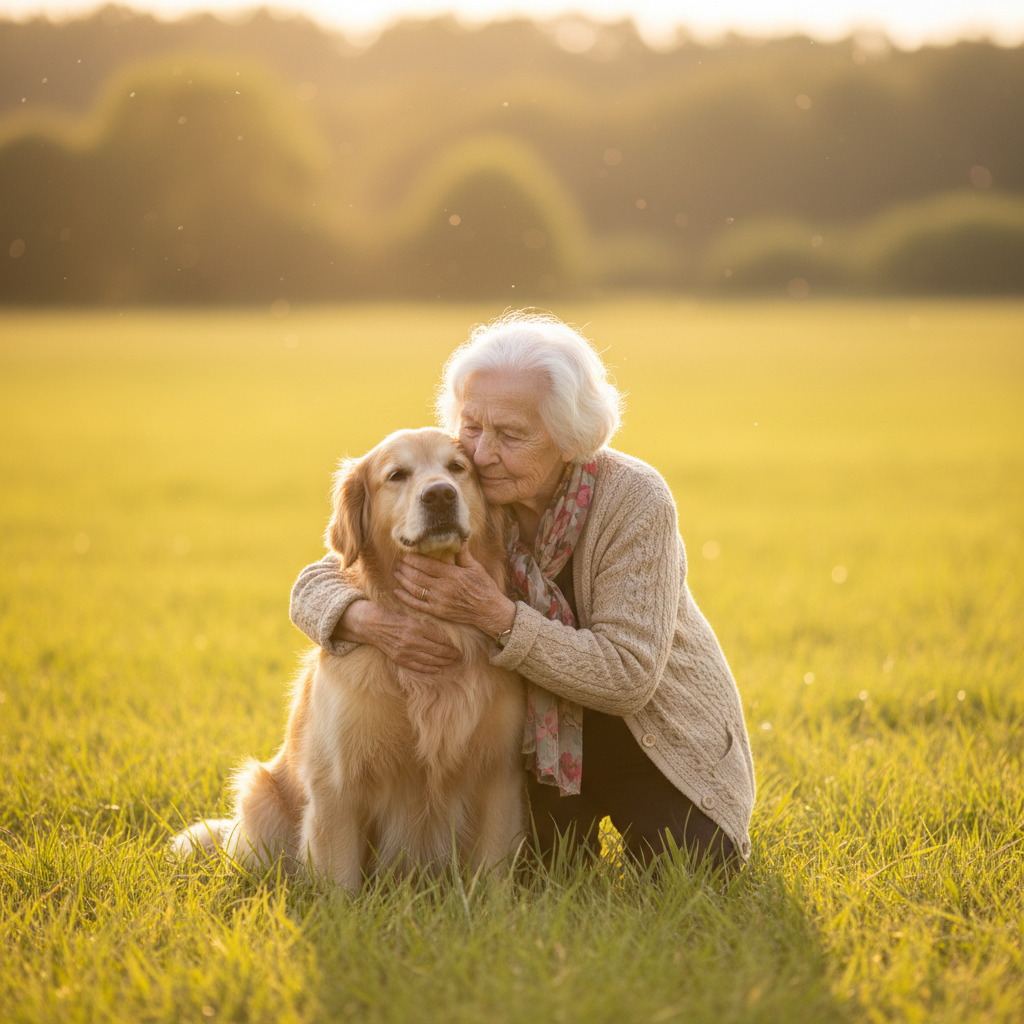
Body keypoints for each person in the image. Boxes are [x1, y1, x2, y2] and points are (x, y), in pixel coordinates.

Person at [290, 312, 755, 870]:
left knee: (697, 868)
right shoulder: (466, 486)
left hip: (648, 739)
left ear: (569, 440)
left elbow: (627, 676)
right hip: (543, 753)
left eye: (510, 435)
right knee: (544, 877)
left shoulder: (635, 501)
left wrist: (499, 617)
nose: (483, 454)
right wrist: (364, 620)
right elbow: (328, 570)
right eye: (472, 427)